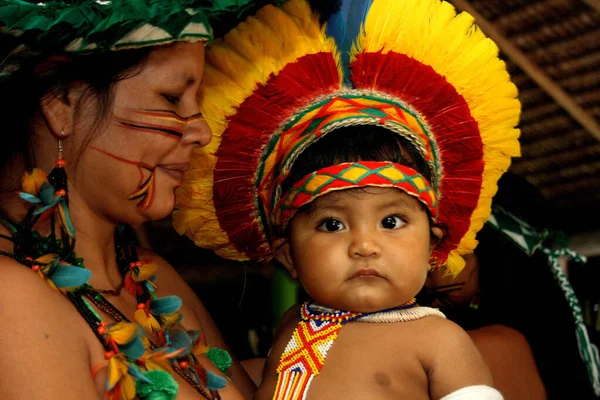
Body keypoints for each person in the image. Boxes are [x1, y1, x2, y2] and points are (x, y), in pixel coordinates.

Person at [173, 0, 521, 398]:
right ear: (288, 255)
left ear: (433, 246)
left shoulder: (439, 339)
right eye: (331, 224)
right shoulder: (293, 327)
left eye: (391, 221)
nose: (364, 246)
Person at [0, 1, 263, 399]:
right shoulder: (10, 297)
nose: (201, 132)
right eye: (173, 98)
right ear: (61, 102)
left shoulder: (151, 277)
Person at [422, 173, 600, 399]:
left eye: (441, 257)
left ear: (492, 259)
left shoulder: (466, 345)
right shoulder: (534, 341)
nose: (426, 272)